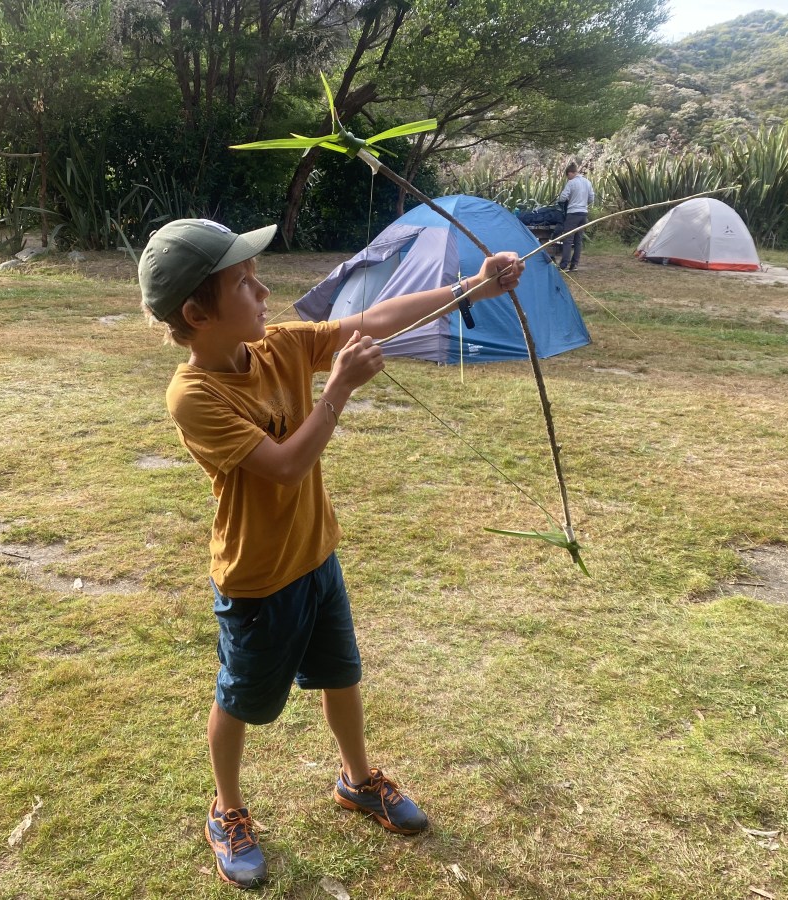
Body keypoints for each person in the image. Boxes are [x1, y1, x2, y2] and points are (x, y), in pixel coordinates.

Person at [138, 218, 524, 889]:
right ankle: (225, 811)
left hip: (317, 556)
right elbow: (285, 466)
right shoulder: (194, 395)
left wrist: (473, 287)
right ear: (198, 314)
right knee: (241, 700)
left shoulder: (277, 346)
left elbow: (373, 319)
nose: (264, 291)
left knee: (342, 674)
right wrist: (338, 391)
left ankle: (356, 781)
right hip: (257, 580)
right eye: (244, 283)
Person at [556, 162, 595, 272]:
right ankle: (574, 265)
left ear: (570, 173)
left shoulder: (571, 183)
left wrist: (569, 200)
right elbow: (591, 198)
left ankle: (564, 265)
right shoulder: (587, 182)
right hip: (583, 213)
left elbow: (562, 198)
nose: (567, 178)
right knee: (578, 240)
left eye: (567, 176)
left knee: (568, 239)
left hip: (573, 213)